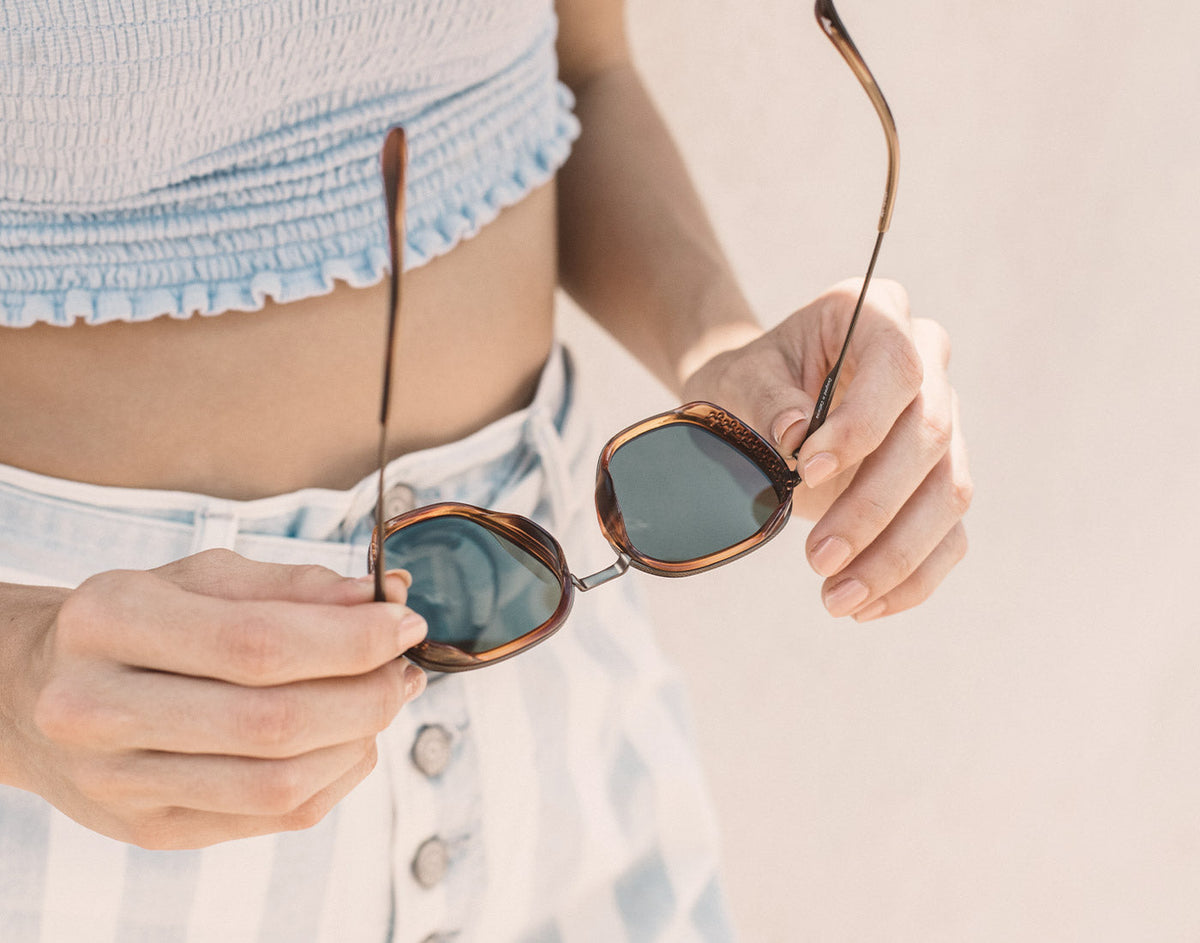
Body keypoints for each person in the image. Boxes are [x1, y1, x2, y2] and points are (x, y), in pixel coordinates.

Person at [0, 0, 970, 940]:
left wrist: (727, 356)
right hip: (107, 735)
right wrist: (16, 677)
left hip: (559, 727)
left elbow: (576, 70)